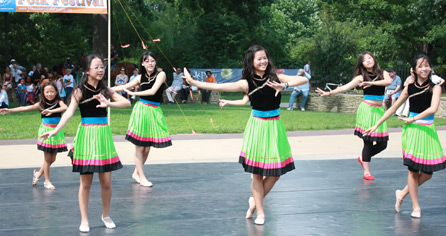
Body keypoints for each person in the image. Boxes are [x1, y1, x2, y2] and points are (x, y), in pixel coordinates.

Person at [183, 45, 307, 225]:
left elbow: (303, 80)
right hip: (257, 126)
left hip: (275, 127)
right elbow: (219, 85)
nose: (263, 61)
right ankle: (261, 213)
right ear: (252, 62)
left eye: (265, 57)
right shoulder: (246, 82)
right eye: (259, 59)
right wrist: (194, 83)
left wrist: (284, 85)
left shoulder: (276, 77)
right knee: (257, 173)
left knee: (275, 173)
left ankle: (254, 201)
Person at [40, 54, 131, 232]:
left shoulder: (106, 90)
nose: (100, 70)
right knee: (86, 183)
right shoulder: (79, 91)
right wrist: (56, 130)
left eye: (102, 67)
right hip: (87, 137)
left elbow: (127, 103)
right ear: (87, 70)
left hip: (103, 136)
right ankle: (84, 219)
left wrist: (108, 104)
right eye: (96, 67)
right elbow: (68, 113)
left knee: (106, 182)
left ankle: (106, 215)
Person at [364, 54, 446, 218]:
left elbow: (433, 109)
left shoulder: (435, 87)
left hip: (428, 130)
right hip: (412, 132)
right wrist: (376, 124)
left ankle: (402, 193)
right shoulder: (409, 88)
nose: (424, 69)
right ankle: (416, 207)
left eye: (427, 65)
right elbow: (392, 109)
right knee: (413, 171)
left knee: (428, 173)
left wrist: (413, 118)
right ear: (414, 70)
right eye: (420, 66)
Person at [316, 51, 392, 180]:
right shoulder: (361, 77)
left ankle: (363, 158)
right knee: (368, 142)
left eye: (369, 58)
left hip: (379, 111)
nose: (368, 60)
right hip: (367, 110)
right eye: (364, 60)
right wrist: (329, 93)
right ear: (361, 64)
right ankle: (366, 172)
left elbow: (388, 82)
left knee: (383, 144)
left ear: (374, 59)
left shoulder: (382, 73)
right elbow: (345, 87)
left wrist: (372, 83)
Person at [112, 51, 172, 187]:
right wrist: (105, 89)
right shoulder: (140, 77)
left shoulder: (161, 75)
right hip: (141, 110)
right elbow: (123, 86)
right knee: (139, 147)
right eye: (147, 61)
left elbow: (152, 91)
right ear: (142, 63)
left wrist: (134, 93)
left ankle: (136, 173)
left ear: (155, 62)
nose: (150, 63)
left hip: (154, 111)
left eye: (152, 60)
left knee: (147, 147)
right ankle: (142, 176)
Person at [1, 82, 68, 189]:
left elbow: (65, 108)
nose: (49, 94)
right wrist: (9, 110)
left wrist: (51, 110)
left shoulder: (59, 102)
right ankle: (47, 181)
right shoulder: (41, 104)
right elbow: (25, 108)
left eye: (52, 91)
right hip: (45, 131)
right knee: (47, 158)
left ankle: (38, 174)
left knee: (53, 159)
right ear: (43, 93)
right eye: (47, 92)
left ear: (56, 92)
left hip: (56, 131)